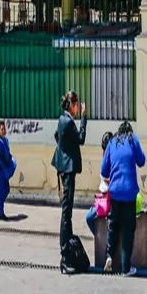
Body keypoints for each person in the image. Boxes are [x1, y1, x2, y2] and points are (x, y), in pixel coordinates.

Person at [100, 121, 147, 276]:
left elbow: (104, 170)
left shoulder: (112, 142)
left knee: (113, 226)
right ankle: (126, 267)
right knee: (128, 229)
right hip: (129, 192)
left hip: (114, 192)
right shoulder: (133, 139)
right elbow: (141, 161)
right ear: (130, 131)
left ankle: (109, 257)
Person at [51, 90, 87, 255]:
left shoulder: (62, 120)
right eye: (77, 105)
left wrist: (63, 150)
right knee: (67, 212)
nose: (78, 108)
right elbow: (81, 139)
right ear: (72, 105)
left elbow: (57, 136)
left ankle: (68, 248)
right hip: (68, 169)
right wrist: (84, 119)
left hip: (64, 168)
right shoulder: (68, 121)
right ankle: (65, 252)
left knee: (68, 210)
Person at [85, 131, 115, 236]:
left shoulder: (113, 162)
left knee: (90, 216)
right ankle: (101, 239)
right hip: (108, 199)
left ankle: (102, 239)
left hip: (113, 202)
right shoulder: (107, 161)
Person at [0, 121, 16, 220]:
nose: (3, 131)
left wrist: (11, 159)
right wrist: (6, 166)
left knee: (7, 189)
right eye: (2, 129)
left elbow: (7, 153)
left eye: (4, 129)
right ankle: (1, 212)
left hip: (4, 170)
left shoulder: (5, 140)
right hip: (0, 171)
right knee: (3, 191)